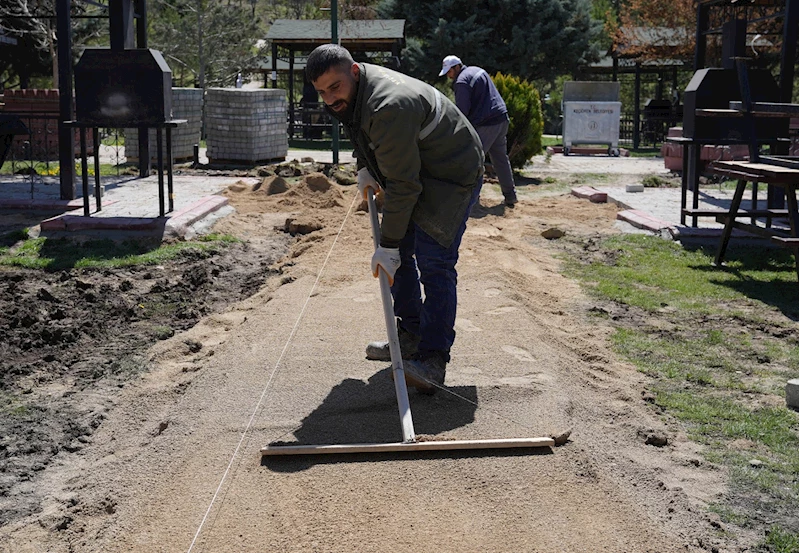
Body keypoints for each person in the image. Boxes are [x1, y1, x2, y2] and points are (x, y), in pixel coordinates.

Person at [306, 44, 484, 394]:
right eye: (321, 92)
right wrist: (364, 167)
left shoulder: (388, 105)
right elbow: (361, 130)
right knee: (397, 254)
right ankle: (411, 335)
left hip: (451, 173)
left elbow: (404, 186)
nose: (328, 99)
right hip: (418, 166)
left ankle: (433, 360)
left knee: (435, 263)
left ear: (354, 72)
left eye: (334, 88)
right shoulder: (355, 90)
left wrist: (387, 246)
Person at [439, 55, 517, 207]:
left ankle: (469, 199)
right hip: (501, 118)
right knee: (500, 159)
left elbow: (462, 112)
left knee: (471, 160)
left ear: (457, 67)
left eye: (449, 71)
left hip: (487, 124)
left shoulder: (461, 81)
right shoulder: (477, 70)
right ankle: (510, 195)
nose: (449, 76)